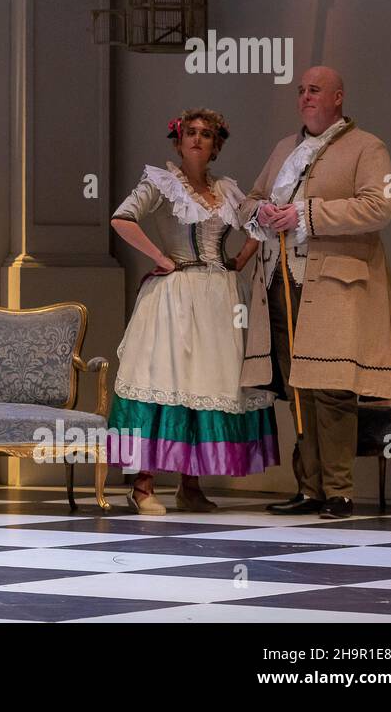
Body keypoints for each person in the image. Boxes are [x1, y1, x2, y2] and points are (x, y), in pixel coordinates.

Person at [243, 66, 391, 520]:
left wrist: (305, 214)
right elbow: (253, 197)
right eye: (301, 91)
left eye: (314, 90)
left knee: (332, 387)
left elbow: (380, 206)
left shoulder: (367, 147)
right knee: (298, 388)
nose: (305, 97)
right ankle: (309, 488)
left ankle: (338, 491)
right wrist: (262, 212)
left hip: (335, 282)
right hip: (280, 278)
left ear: (338, 96)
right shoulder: (285, 147)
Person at [109, 109, 278, 515]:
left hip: (219, 295)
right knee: (166, 377)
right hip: (175, 294)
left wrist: (239, 258)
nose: (198, 139)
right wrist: (160, 257)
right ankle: (143, 485)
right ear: (179, 140)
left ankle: (191, 485)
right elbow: (121, 218)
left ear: (216, 144)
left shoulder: (226, 190)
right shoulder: (162, 182)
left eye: (206, 134)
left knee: (207, 382)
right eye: (191, 133)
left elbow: (257, 226)